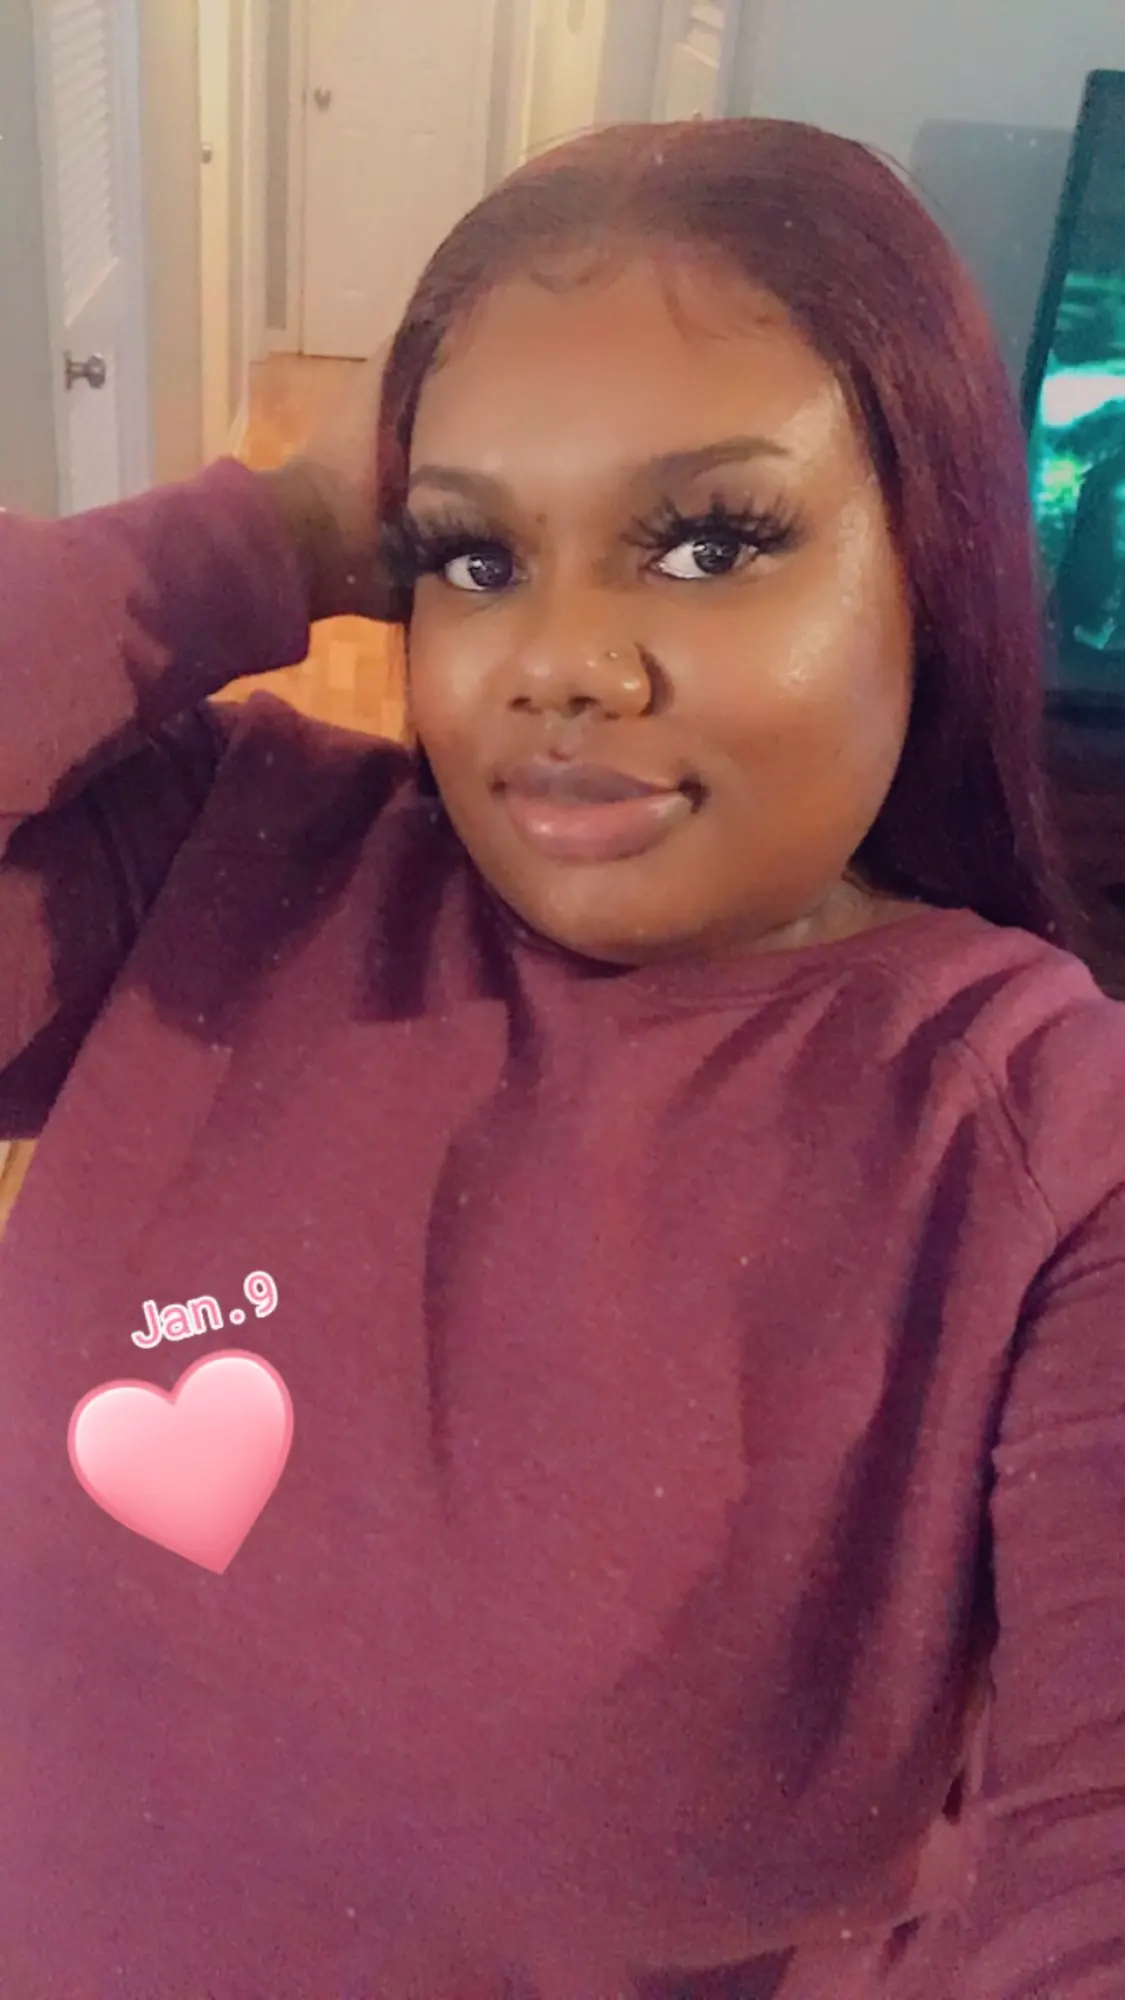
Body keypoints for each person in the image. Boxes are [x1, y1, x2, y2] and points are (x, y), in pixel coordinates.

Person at [0, 116, 1122, 2000]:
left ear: (931, 566)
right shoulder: (222, 869)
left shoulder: (1041, 1142)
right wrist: (271, 530)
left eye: (707, 542)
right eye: (476, 554)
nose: (563, 661)